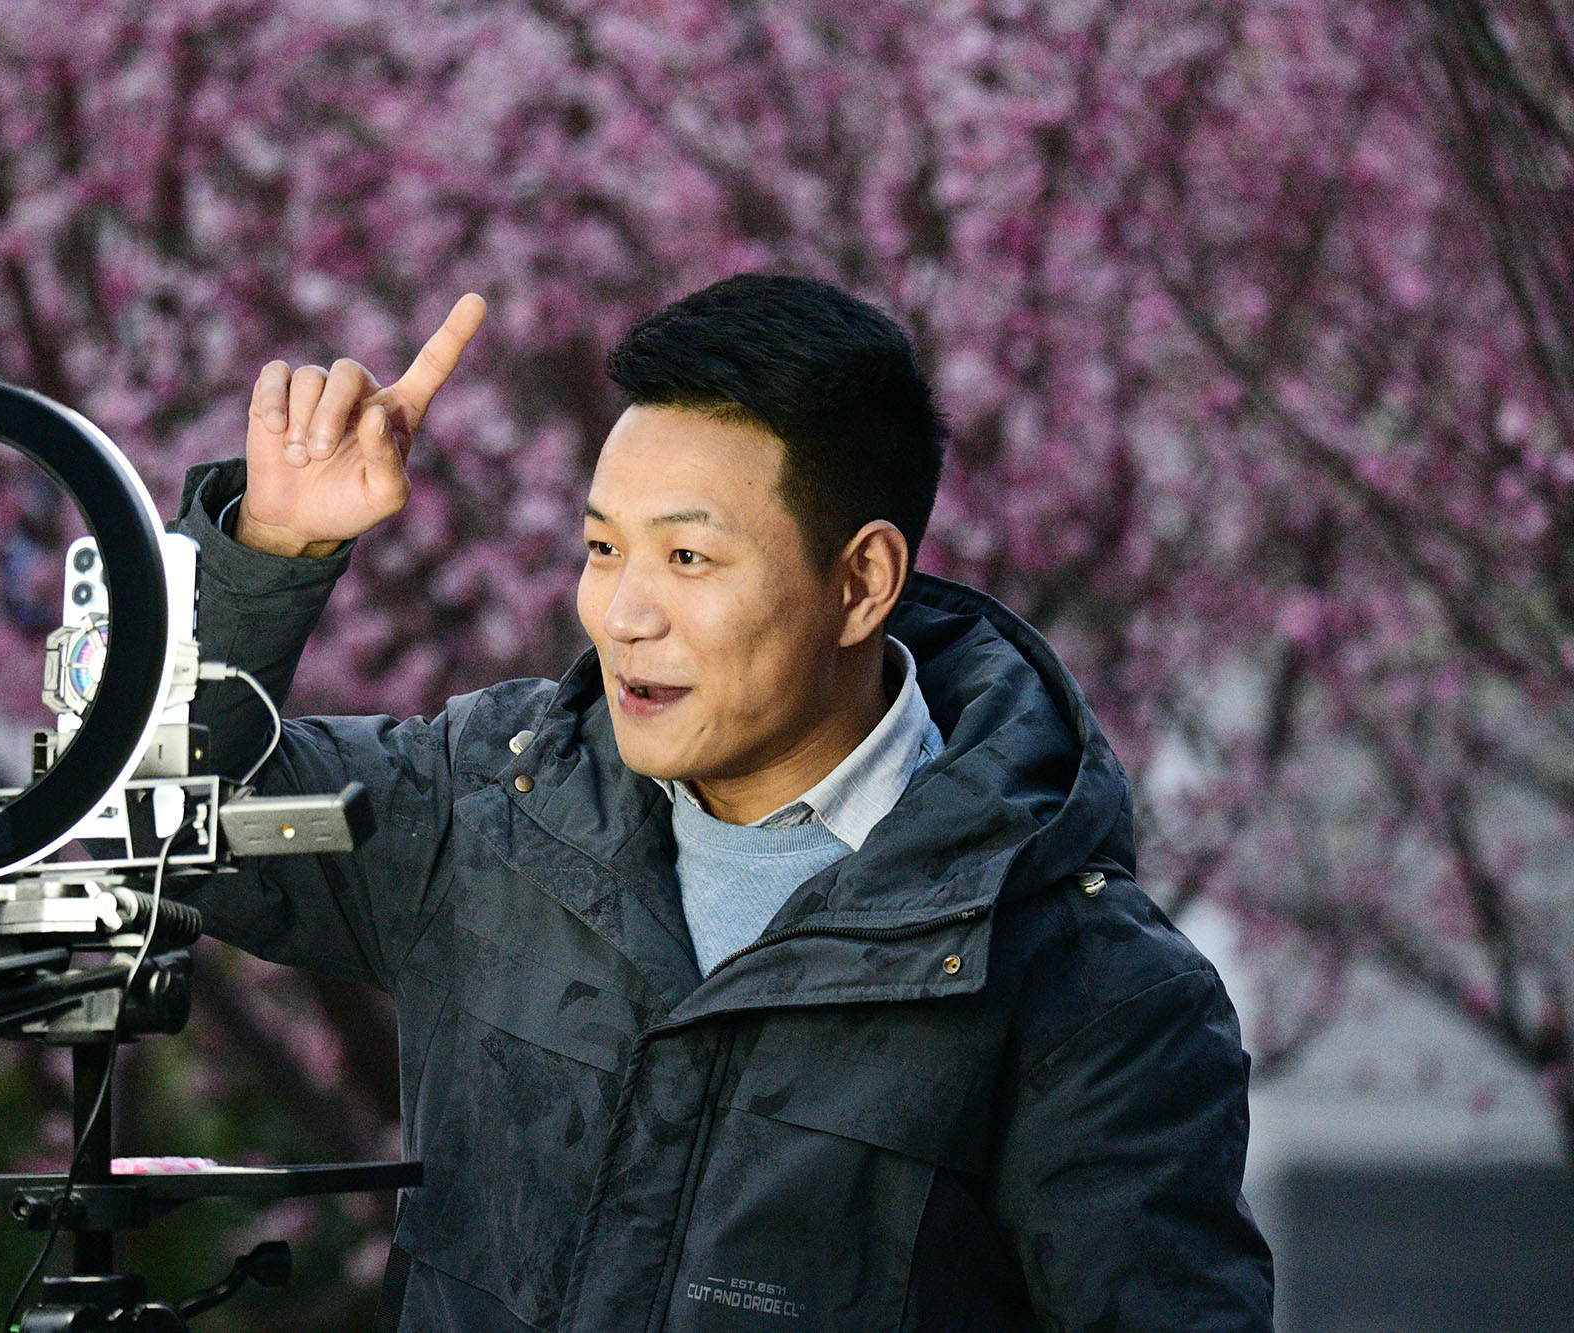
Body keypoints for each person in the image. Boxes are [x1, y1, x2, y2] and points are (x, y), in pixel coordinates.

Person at [173, 275, 1274, 1331]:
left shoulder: (1086, 987)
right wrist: (270, 552)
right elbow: (159, 820)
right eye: (602, 548)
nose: (622, 615)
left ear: (861, 582)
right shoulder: (487, 807)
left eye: (688, 556)